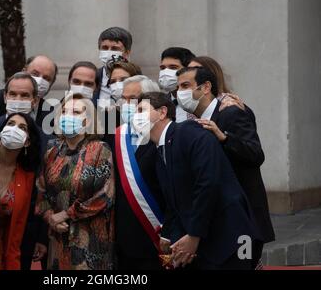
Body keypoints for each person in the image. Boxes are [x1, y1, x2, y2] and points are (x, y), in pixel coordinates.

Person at [135, 91, 261, 270]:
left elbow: (207, 184)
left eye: (141, 110)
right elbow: (175, 200)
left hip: (234, 236)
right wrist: (168, 234)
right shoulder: (159, 151)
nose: (135, 117)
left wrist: (194, 235)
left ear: (162, 112)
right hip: (209, 241)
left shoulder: (188, 131)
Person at [176, 67, 275, 268]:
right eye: (177, 87)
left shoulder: (231, 112)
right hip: (217, 218)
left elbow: (255, 154)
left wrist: (224, 138)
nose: (179, 92)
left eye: (185, 86)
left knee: (244, 265)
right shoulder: (190, 121)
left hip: (243, 219)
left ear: (205, 87)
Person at [35, 93, 115, 270]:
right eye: (64, 111)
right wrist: (50, 218)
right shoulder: (52, 151)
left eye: (76, 112)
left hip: (91, 240)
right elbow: (41, 193)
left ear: (88, 120)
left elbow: (105, 196)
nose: (68, 116)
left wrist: (66, 215)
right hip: (58, 237)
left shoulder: (100, 149)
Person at [0, 72, 49, 270]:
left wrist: (41, 237)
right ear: (4, 96)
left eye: (25, 96)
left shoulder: (45, 140)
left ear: (35, 100)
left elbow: (45, 193)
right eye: (13, 94)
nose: (17, 100)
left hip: (23, 235)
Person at [109, 75, 167, 270]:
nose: (127, 105)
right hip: (123, 238)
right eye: (123, 99)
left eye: (133, 99)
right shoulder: (115, 136)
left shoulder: (165, 136)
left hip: (158, 233)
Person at [0, 113, 42, 270]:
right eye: (10, 124)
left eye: (22, 127)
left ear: (27, 142)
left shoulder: (27, 177)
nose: (14, 130)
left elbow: (18, 227)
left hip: (3, 251)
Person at [0, 55, 58, 125]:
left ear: (52, 83)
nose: (39, 81)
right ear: (24, 71)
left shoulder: (51, 114)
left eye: (46, 78)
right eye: (35, 74)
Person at [96, 27, 133, 107]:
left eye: (115, 48)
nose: (109, 52)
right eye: (105, 48)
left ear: (127, 53)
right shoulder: (92, 78)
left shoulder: (138, 79)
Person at [158, 47, 196, 122]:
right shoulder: (159, 104)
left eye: (173, 67)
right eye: (163, 68)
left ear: (188, 69)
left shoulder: (199, 101)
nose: (166, 72)